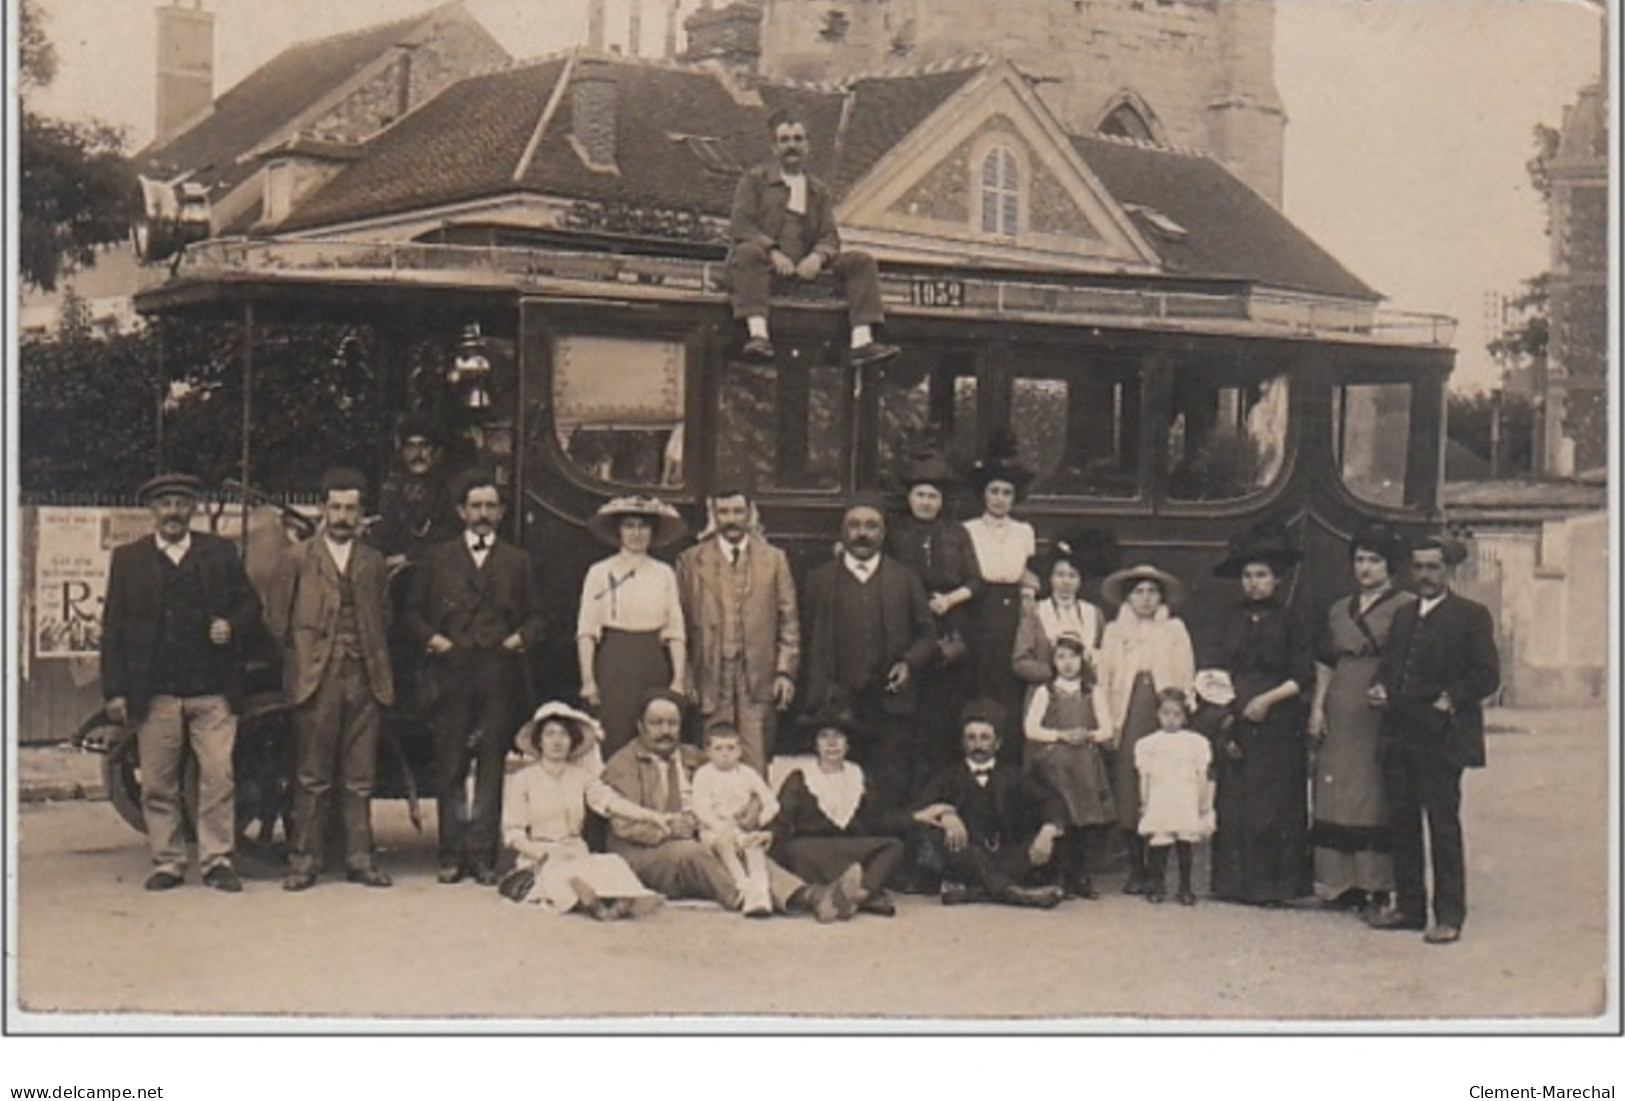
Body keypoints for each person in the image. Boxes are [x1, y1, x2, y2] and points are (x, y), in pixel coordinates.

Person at [101, 472, 263, 892]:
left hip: (212, 692)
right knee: (158, 782)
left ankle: (217, 860)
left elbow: (250, 605)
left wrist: (231, 624)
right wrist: (115, 691)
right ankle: (169, 862)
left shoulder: (220, 553)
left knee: (218, 778)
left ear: (193, 508)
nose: (172, 512)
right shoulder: (129, 559)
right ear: (151, 511)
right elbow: (113, 629)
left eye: (180, 502)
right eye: (164, 503)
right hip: (155, 695)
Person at [601, 690, 863, 922]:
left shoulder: (692, 756)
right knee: (694, 852)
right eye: (656, 723)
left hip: (705, 838)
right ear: (640, 726)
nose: (665, 731)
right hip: (644, 854)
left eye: (672, 723)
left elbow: (734, 778)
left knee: (746, 847)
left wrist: (751, 806)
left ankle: (812, 896)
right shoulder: (623, 764)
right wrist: (670, 829)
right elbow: (623, 825)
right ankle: (746, 897)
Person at [403, 471, 545, 886]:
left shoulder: (518, 561)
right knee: (449, 765)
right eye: (475, 506)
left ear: (500, 513)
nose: (483, 514)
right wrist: (435, 641)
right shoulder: (437, 558)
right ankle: (450, 855)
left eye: (490, 506)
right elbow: (410, 613)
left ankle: (483, 856)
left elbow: (539, 617)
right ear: (462, 511)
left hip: (498, 675)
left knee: (490, 767)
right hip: (450, 674)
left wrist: (519, 639)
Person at [1367, 535, 1500, 945]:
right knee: (1402, 823)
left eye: (1433, 567)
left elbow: (1486, 675)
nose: (1425, 575)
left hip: (1443, 737)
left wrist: (1452, 698)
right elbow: (1389, 667)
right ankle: (1409, 909)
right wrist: (1379, 687)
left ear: (1449, 570)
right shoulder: (1404, 614)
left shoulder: (1471, 615)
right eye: (1419, 567)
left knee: (1442, 825)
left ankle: (1449, 916)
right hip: (1401, 733)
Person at [267, 468, 395, 891]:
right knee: (312, 776)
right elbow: (277, 622)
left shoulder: (373, 562)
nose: (343, 516)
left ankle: (360, 859)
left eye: (351, 508)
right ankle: (304, 861)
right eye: (336, 507)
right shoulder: (298, 558)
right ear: (323, 510)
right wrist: (304, 664)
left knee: (360, 777)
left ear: (362, 513)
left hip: (365, 678)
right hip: (315, 679)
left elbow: (383, 618)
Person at [799, 497, 938, 816]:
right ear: (843, 531)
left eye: (871, 526)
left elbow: (927, 633)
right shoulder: (820, 580)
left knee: (889, 782)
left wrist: (909, 662)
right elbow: (806, 637)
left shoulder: (904, 578)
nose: (863, 533)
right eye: (855, 525)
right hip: (839, 703)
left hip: (890, 703)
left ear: (883, 533)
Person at [728, 106, 898, 367]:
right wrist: (772, 252)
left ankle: (862, 341)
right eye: (784, 140)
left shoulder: (818, 190)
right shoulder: (754, 182)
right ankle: (758, 335)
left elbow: (830, 235)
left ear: (807, 146)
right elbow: (741, 225)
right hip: (763, 268)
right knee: (747, 252)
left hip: (807, 270)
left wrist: (817, 257)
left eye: (798, 139)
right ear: (774, 148)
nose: (791, 146)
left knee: (862, 261)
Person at [1307, 522, 1415, 915]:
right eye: (1359, 560)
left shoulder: (1405, 605)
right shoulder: (1339, 608)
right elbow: (1325, 662)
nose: (1365, 568)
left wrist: (1391, 691)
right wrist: (1318, 707)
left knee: (1371, 791)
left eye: (1374, 561)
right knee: (1336, 788)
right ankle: (1340, 882)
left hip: (1377, 706)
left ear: (1390, 566)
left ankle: (1376, 883)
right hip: (1340, 702)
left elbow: (1408, 659)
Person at [1206, 522, 1315, 906]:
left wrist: (1266, 701)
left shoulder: (1291, 618)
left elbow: (1302, 675)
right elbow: (1215, 667)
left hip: (1278, 716)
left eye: (1262, 575)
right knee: (1236, 799)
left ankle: (1276, 886)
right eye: (1248, 575)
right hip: (1236, 713)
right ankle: (1234, 884)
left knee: (1275, 801)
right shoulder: (1229, 616)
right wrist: (1229, 705)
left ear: (1278, 580)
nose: (1254, 583)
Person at [498, 702, 663, 920]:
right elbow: (513, 834)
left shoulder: (581, 777)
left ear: (572, 740)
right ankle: (596, 903)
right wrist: (545, 854)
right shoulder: (523, 780)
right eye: (550, 734)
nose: (557, 741)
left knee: (612, 862)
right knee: (560, 876)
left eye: (564, 734)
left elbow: (610, 802)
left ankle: (613, 900)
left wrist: (652, 816)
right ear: (539, 741)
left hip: (576, 850)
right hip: (540, 856)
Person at [675, 488, 799, 776]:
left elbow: (789, 621)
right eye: (724, 512)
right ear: (714, 514)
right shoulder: (691, 561)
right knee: (709, 758)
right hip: (710, 675)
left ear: (750, 513)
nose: (731, 519)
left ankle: (755, 818)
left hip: (757, 677)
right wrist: (686, 674)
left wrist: (784, 672)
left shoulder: (774, 559)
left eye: (737, 512)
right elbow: (679, 623)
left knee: (755, 757)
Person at [885, 449, 983, 780]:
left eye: (933, 496)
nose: (926, 502)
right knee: (908, 710)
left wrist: (950, 600)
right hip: (907, 626)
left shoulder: (957, 533)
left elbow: (976, 581)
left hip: (949, 626)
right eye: (920, 495)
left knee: (944, 711)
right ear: (910, 497)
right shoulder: (895, 532)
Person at [1097, 562, 1195, 894]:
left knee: (1162, 788)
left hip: (1161, 709)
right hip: (1126, 711)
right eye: (1139, 592)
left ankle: (1158, 871)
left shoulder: (1174, 629)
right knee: (1129, 789)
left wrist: (1182, 710)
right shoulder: (1114, 631)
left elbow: (1185, 672)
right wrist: (1107, 722)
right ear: (1128, 597)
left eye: (1153, 592)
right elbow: (1104, 677)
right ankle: (1135, 868)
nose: (1146, 599)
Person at [912, 699, 1067, 908]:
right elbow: (918, 810)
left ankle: (972, 892)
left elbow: (1051, 800)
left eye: (985, 738)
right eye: (971, 738)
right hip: (964, 854)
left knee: (1044, 842)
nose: (978, 745)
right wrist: (945, 815)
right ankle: (1016, 894)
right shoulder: (947, 776)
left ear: (998, 743)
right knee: (943, 841)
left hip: (1004, 853)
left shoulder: (1014, 775)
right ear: (962, 743)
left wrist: (1048, 830)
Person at [577, 496, 688, 758]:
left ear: (652, 532)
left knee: (655, 732)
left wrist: (678, 678)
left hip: (652, 659)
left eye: (643, 526)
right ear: (619, 531)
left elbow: (675, 630)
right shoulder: (599, 571)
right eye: (629, 526)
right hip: (615, 659)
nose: (636, 534)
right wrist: (588, 680)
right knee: (615, 732)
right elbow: (586, 631)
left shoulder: (664, 573)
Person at [771, 710, 907, 916]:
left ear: (848, 744)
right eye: (824, 737)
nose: (832, 743)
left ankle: (856, 895)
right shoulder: (800, 776)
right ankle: (864, 897)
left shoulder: (858, 775)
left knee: (894, 846)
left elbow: (877, 821)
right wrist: (767, 835)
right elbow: (782, 820)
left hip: (851, 849)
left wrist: (917, 816)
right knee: (792, 851)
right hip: (812, 850)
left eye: (838, 737)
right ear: (815, 744)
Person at [1021, 633, 1116, 898]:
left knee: (1085, 820)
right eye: (1061, 657)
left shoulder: (1092, 691)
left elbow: (1107, 728)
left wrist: (1088, 735)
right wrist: (1060, 736)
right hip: (1056, 763)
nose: (1067, 663)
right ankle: (1058, 875)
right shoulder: (1045, 691)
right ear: (1053, 661)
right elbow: (1030, 729)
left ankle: (1081, 876)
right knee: (1061, 815)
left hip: (1084, 761)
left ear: (1082, 659)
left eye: (1073, 656)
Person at [962, 432, 1036, 733]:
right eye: (994, 491)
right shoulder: (968, 530)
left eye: (1006, 492)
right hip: (979, 606)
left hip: (1013, 608)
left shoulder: (1023, 531)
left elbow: (1027, 573)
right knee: (980, 677)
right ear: (984, 494)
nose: (1000, 498)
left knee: (1010, 677)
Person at [1135, 688, 1216, 906]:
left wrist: (1203, 802)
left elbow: (1202, 775)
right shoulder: (1149, 744)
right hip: (1161, 799)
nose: (1171, 720)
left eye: (1177, 714)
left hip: (1184, 798)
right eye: (1166, 714)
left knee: (1184, 844)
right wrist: (1145, 802)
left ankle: (1185, 887)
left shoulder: (1195, 743)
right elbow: (1145, 776)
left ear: (1185, 716)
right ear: (1158, 715)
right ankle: (1156, 885)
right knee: (1159, 844)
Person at [691, 726, 781, 916]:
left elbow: (771, 802)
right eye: (718, 749)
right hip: (713, 830)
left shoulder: (748, 774)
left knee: (754, 848)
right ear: (708, 752)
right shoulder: (704, 775)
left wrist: (759, 821)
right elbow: (700, 808)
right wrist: (723, 827)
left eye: (731, 748)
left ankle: (761, 895)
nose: (725, 754)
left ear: (740, 751)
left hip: (742, 829)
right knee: (725, 843)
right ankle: (745, 889)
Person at [1012, 531, 1114, 687]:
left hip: (1086, 691)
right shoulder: (1035, 612)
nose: (1066, 582)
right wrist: (1055, 671)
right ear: (1051, 578)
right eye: (1060, 575)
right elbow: (1020, 661)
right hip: (1046, 691)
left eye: (1072, 576)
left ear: (1080, 581)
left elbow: (1107, 654)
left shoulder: (1093, 613)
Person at [369, 416, 459, 574]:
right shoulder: (393, 491)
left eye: (424, 446)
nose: (418, 454)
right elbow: (384, 531)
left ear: (437, 451)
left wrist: (406, 557)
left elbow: (447, 538)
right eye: (410, 447)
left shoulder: (450, 492)